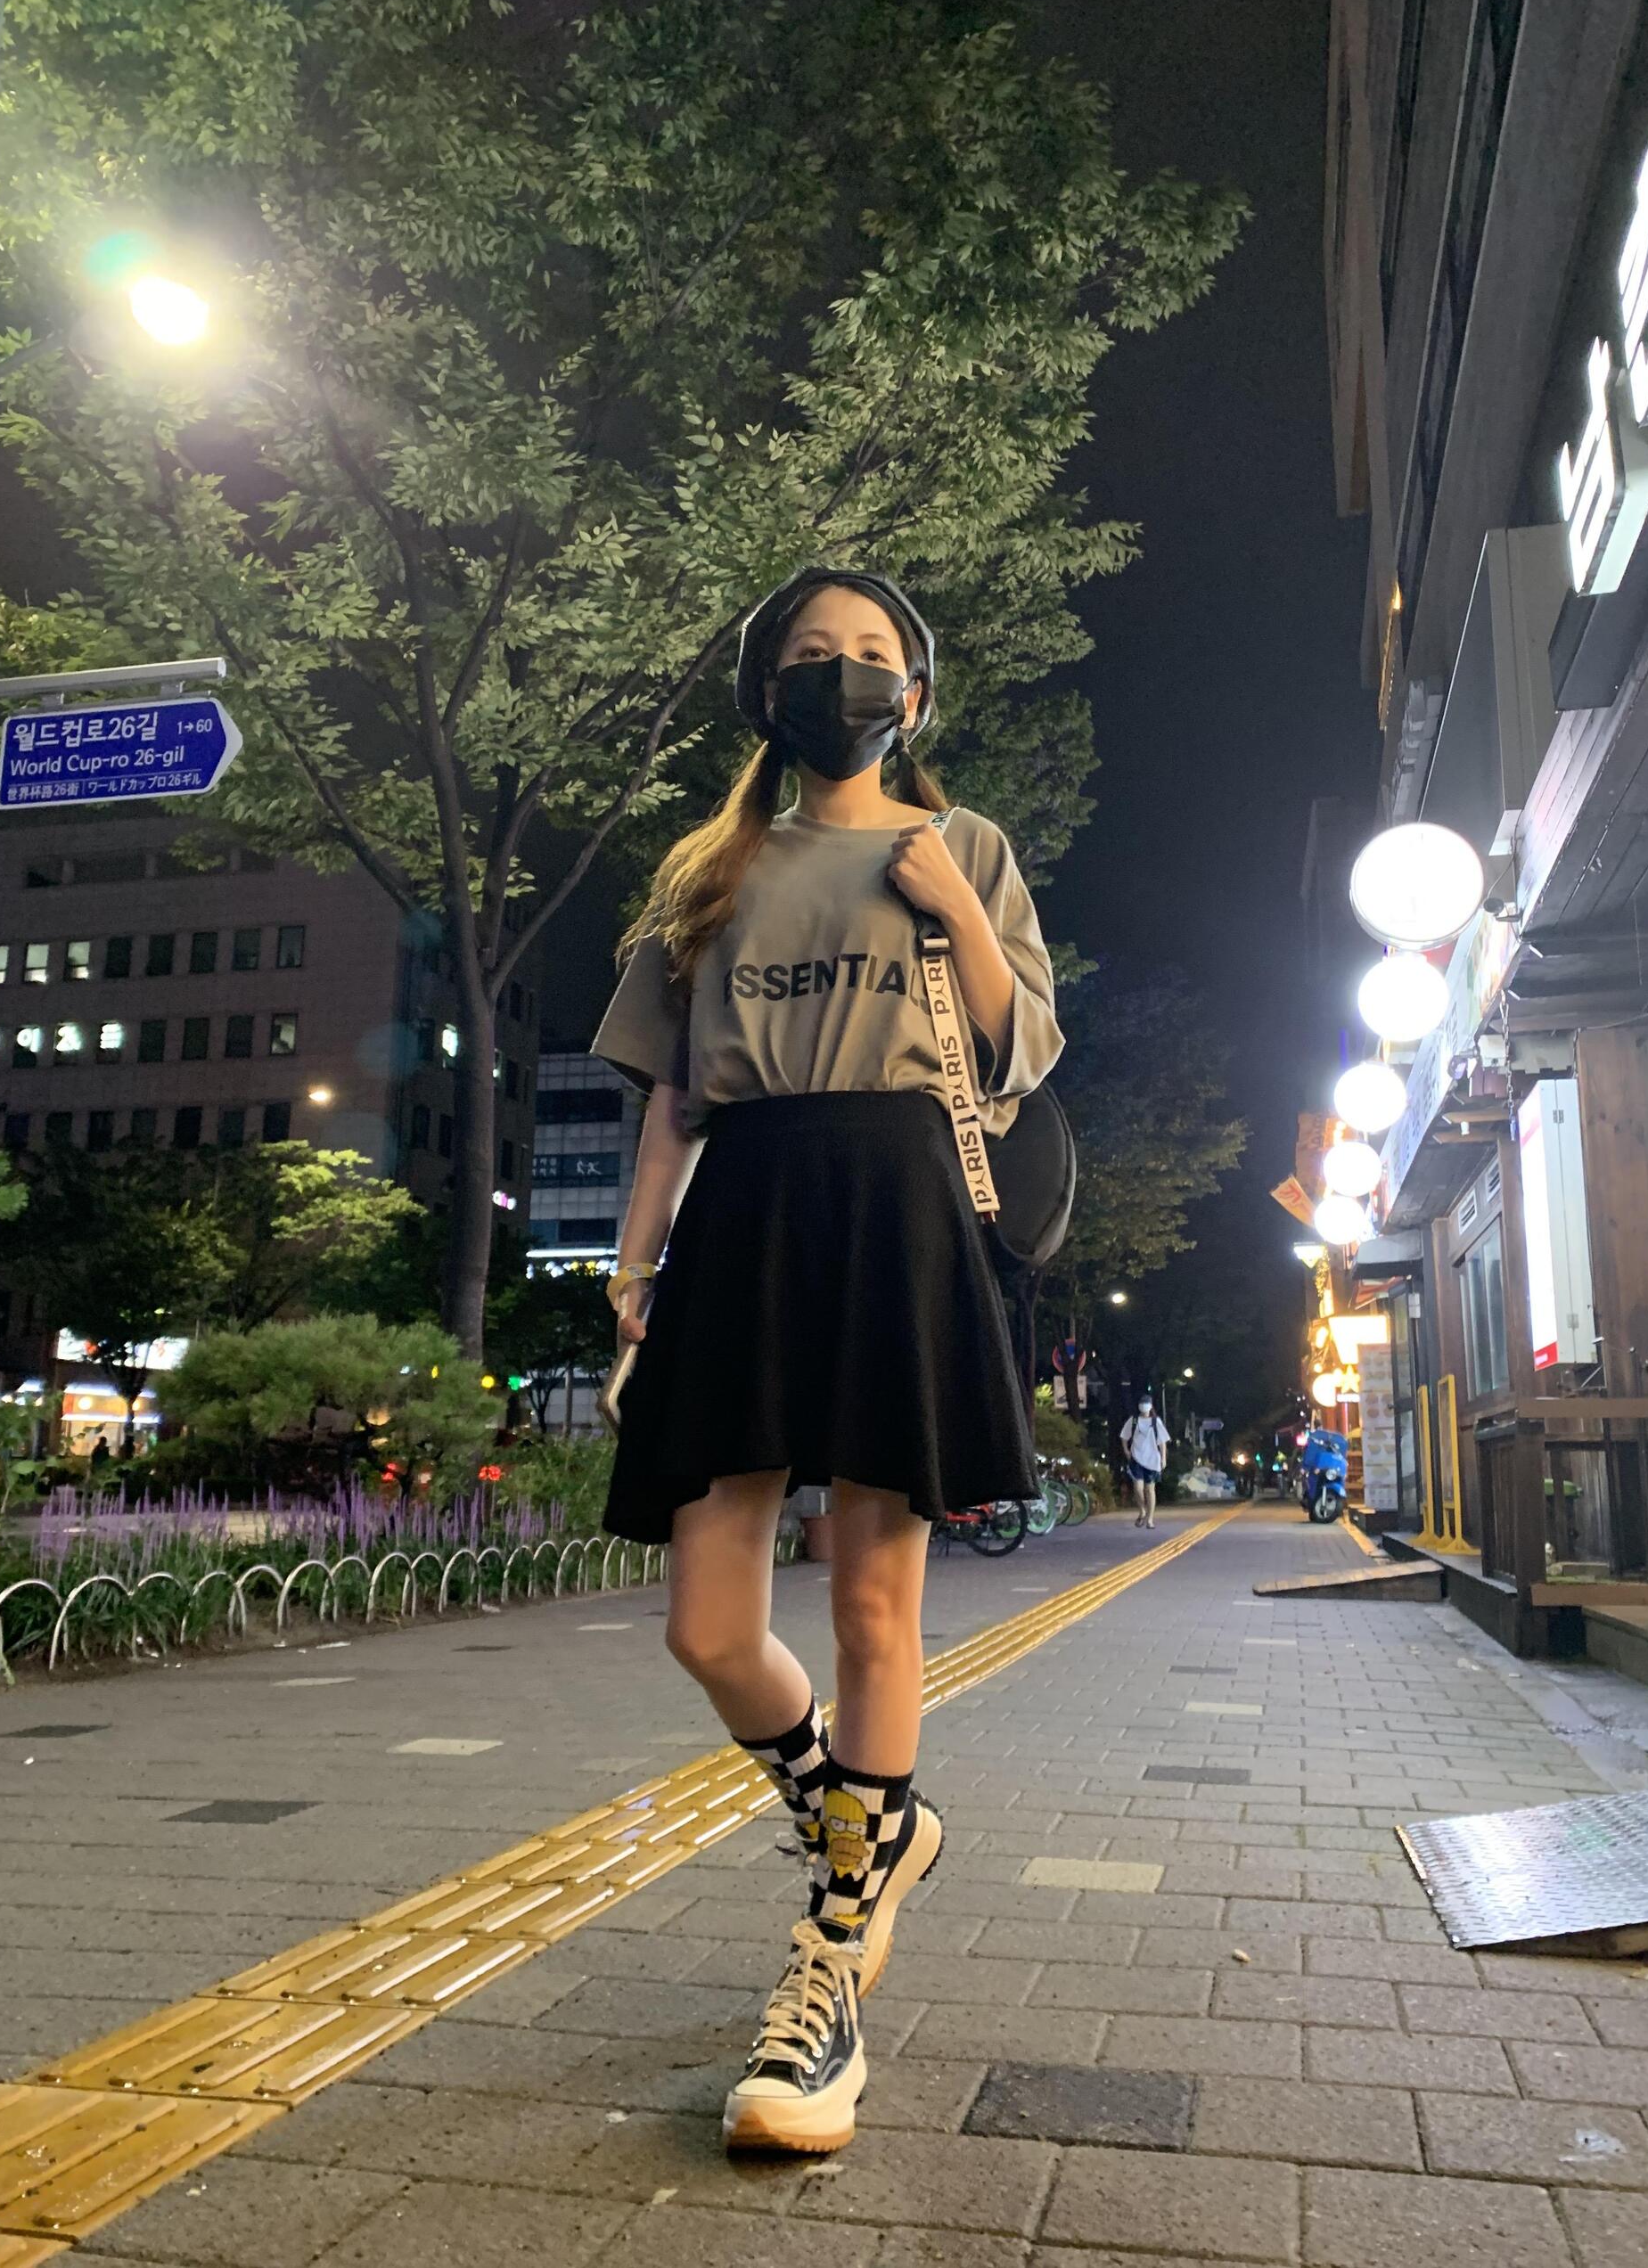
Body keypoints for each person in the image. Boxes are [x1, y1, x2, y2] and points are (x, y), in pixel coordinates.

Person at [593, 566, 1062, 2156]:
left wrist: (955, 913)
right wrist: (634, 1264)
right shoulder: (710, 871)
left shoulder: (964, 846)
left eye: (871, 656)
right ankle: (872, 1824)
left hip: (900, 1207)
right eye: (812, 654)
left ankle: (831, 1962)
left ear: (912, 695)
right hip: (746, 1211)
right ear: (766, 690)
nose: (843, 676)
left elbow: (1017, 1046)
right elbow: (673, 1102)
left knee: (874, 1604)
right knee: (708, 1620)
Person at [1119, 1392, 1169, 1527]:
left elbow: (1162, 1442)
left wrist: (1163, 1458)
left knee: (1150, 1489)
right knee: (1138, 1487)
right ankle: (1142, 1510)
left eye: (1146, 1404)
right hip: (1137, 1458)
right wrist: (1126, 1451)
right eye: (1142, 1404)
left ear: (1151, 1406)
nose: (1144, 1406)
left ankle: (1150, 1519)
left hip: (1152, 1460)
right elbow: (1124, 1436)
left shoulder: (1156, 1421)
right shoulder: (1134, 1420)